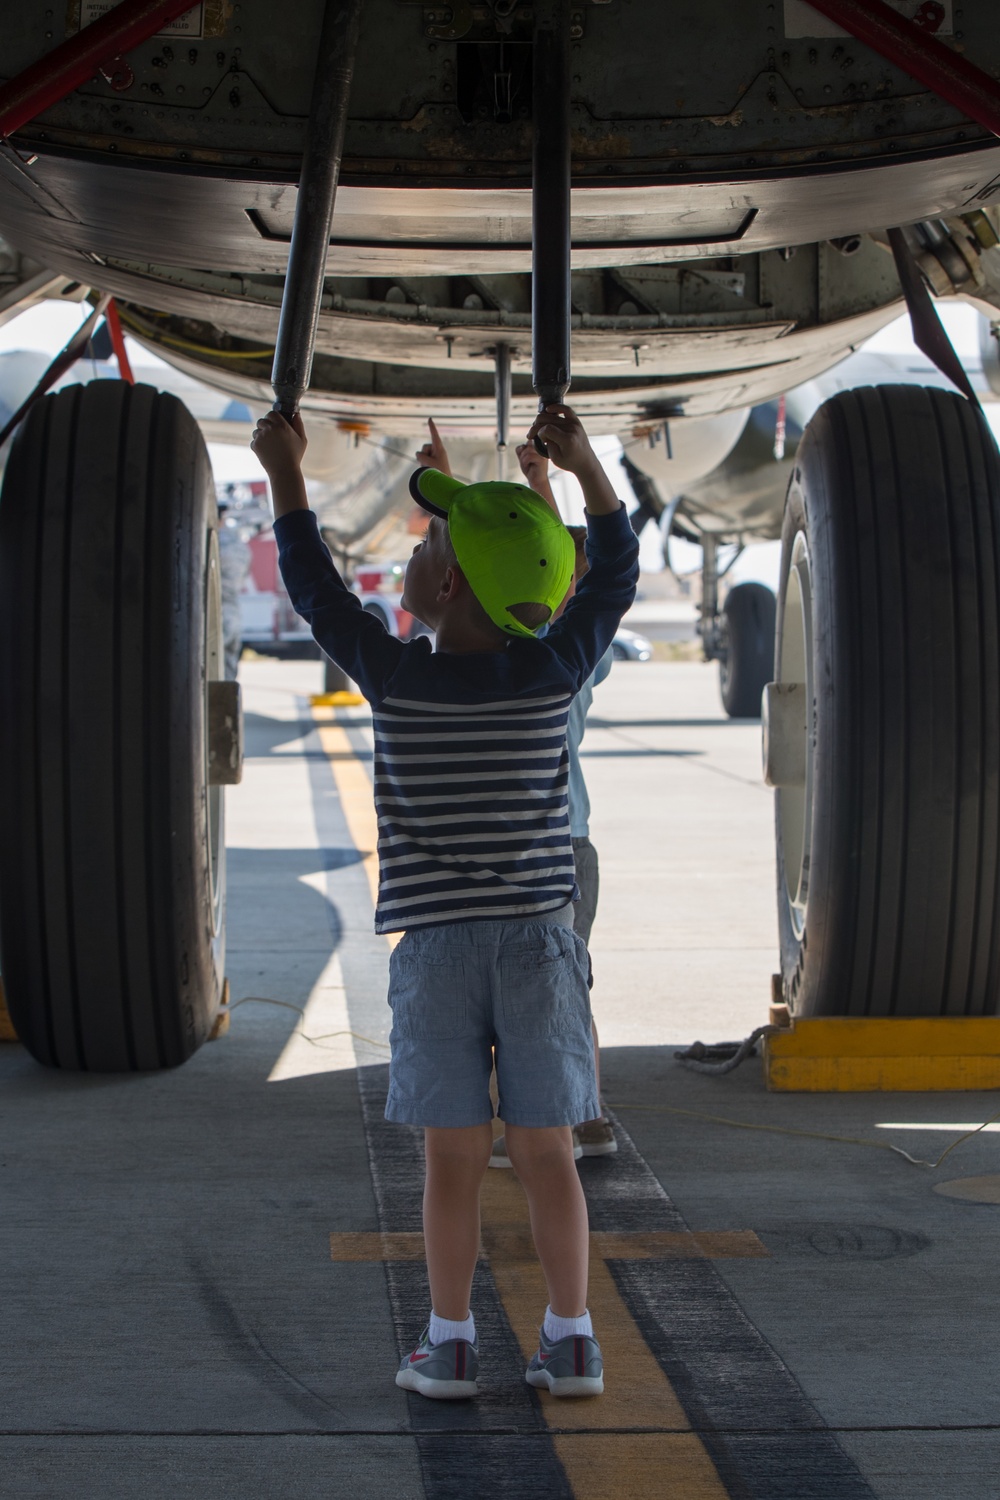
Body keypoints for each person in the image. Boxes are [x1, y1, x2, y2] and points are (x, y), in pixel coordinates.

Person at [252, 403, 639, 1402]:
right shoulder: (553, 676)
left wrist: (286, 473)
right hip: (541, 947)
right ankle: (571, 1340)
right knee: (548, 1152)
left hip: (437, 955)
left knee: (452, 1162)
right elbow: (615, 576)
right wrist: (589, 470)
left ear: (447, 583)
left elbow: (316, 592)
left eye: (428, 544)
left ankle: (451, 1342)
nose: (414, 554)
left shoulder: (395, 680)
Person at [413, 420, 618, 1163]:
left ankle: (529, 1117)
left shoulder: (458, 671)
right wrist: (552, 482)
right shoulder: (569, 663)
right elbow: (568, 576)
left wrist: (449, 511)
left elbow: (470, 588)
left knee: (493, 996)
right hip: (570, 849)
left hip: (508, 855)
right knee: (564, 987)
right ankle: (580, 1115)